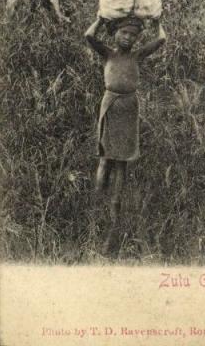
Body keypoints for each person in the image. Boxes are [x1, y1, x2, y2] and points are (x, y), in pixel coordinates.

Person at [84, 15, 166, 254]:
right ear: (115, 34)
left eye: (132, 35)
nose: (128, 38)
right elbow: (88, 36)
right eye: (124, 33)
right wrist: (99, 19)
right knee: (105, 158)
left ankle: (115, 208)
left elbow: (161, 39)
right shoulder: (108, 53)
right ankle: (96, 205)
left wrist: (157, 20)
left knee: (122, 162)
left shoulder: (137, 55)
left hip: (129, 109)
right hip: (110, 106)